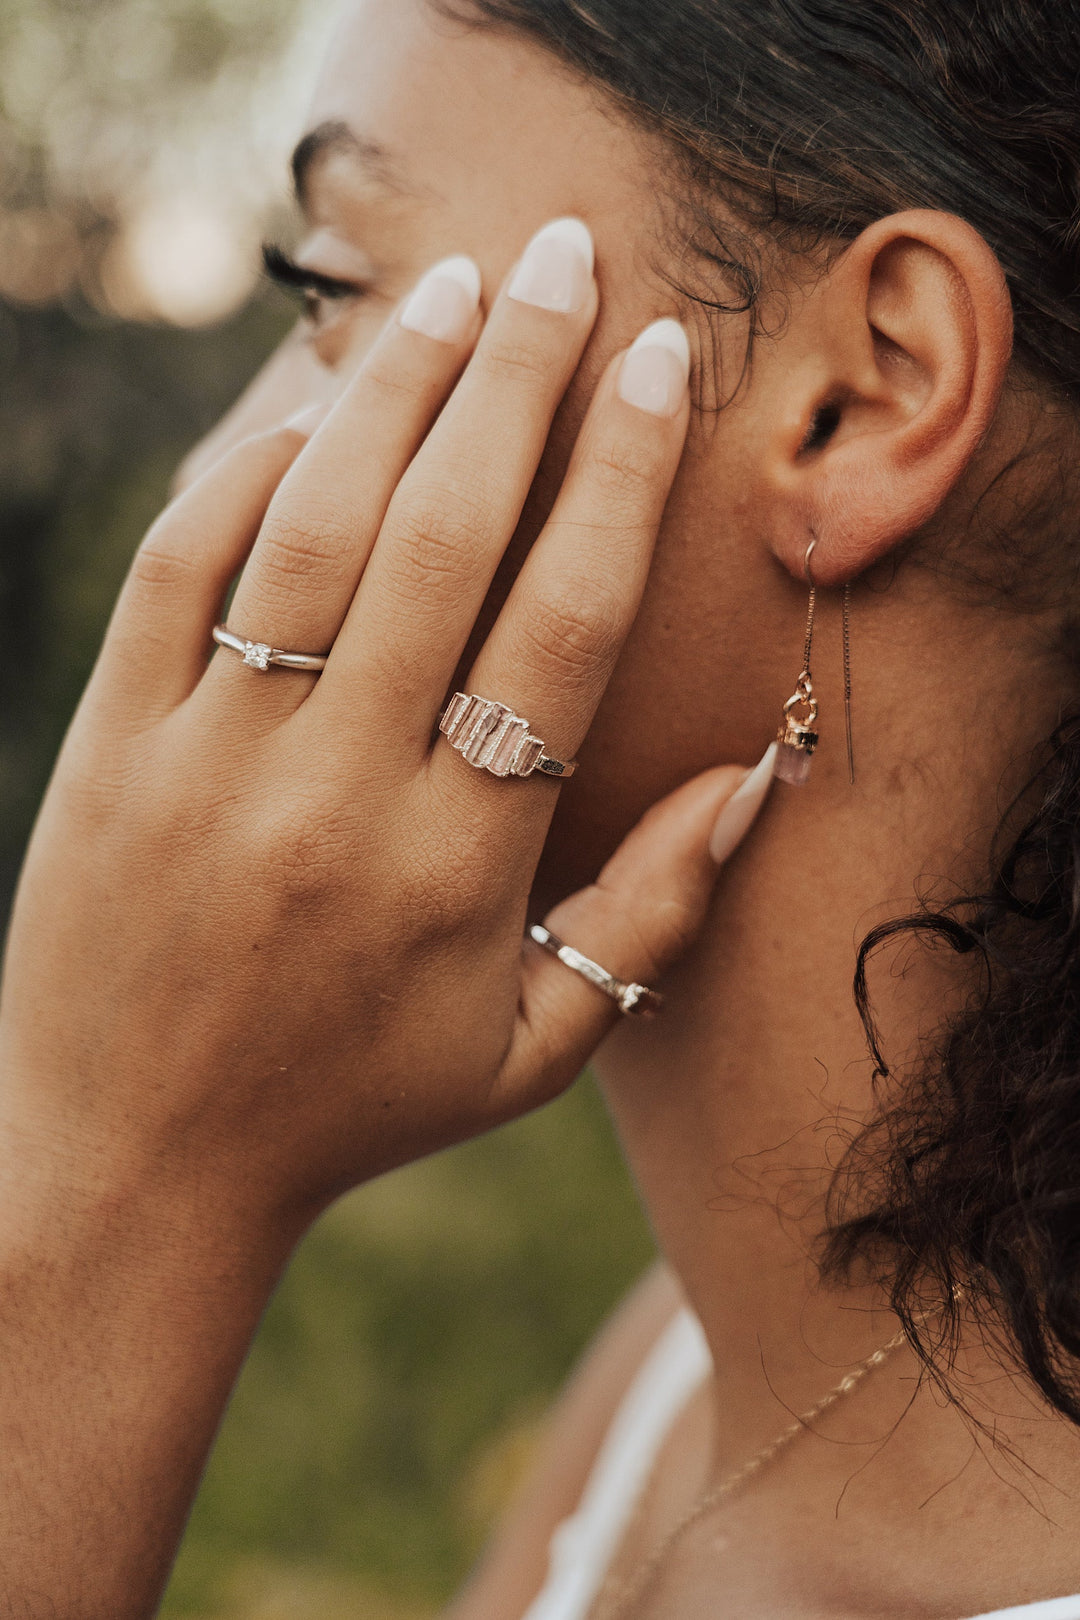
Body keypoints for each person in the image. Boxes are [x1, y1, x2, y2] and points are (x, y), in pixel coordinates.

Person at [3, 0, 1080, 1614]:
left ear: (858, 400)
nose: (200, 482)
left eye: (333, 292)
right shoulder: (677, 1373)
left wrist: (115, 1182)